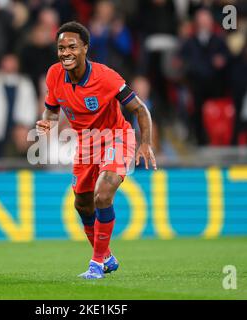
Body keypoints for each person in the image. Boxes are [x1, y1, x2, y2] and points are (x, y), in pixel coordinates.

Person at [36, 21, 157, 279]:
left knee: (103, 194)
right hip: (86, 143)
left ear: (85, 48)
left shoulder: (106, 77)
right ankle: (106, 257)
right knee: (82, 203)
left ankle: (96, 264)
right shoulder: (53, 75)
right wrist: (48, 121)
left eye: (72, 46)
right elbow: (52, 109)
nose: (65, 52)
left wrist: (145, 142)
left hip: (116, 136)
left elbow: (140, 109)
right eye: (60, 48)